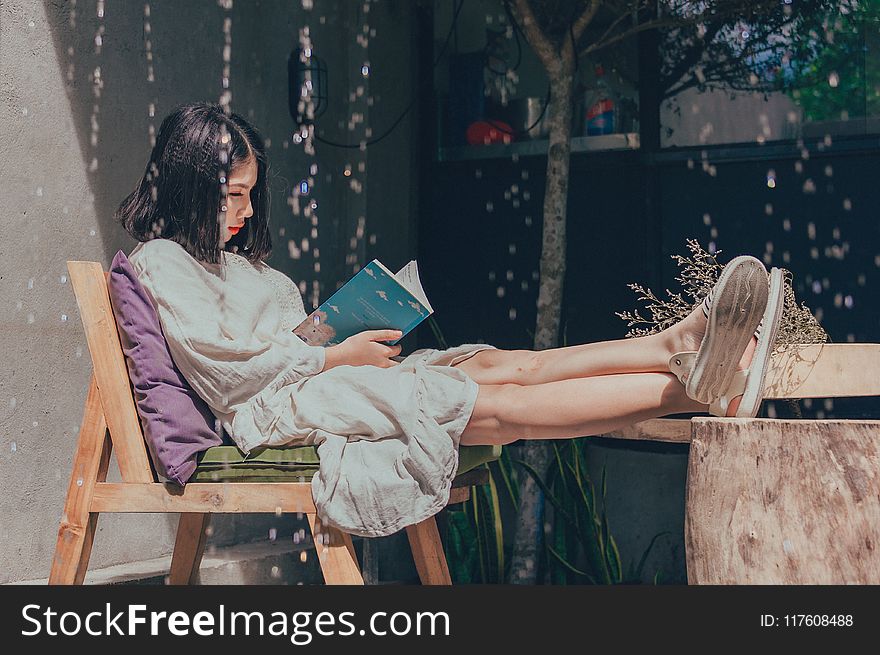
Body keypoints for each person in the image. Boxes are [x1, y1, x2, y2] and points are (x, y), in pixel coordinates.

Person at [116, 102, 784, 538]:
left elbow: (283, 340)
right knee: (493, 402)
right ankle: (696, 388)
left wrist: (337, 332)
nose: (242, 211)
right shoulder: (163, 263)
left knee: (496, 362)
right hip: (283, 407)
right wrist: (333, 357)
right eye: (232, 195)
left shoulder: (232, 263)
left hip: (319, 380)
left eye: (250, 195)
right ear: (188, 184)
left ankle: (678, 341)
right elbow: (230, 373)